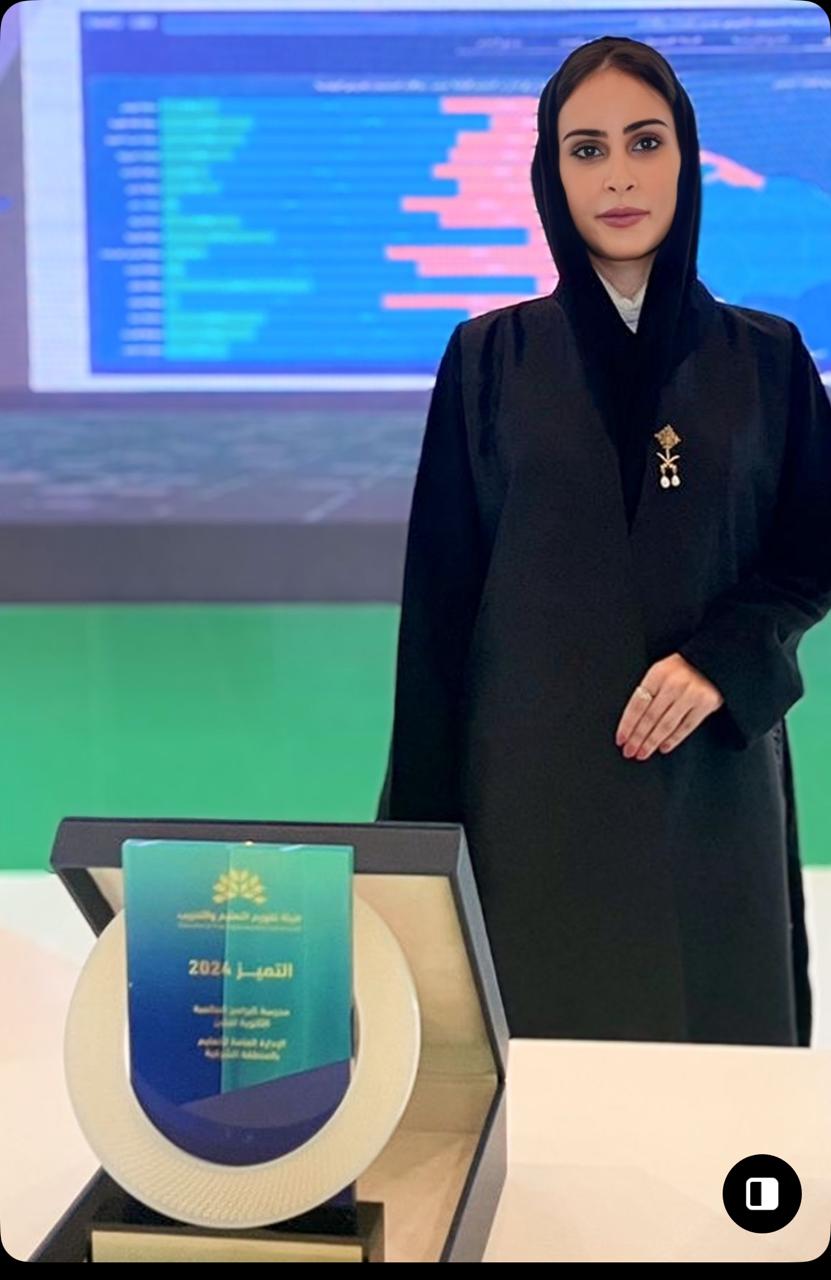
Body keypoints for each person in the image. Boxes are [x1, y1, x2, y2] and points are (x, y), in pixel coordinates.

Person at [375, 36, 831, 1046]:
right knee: (541, 1079)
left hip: (709, 790)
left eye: (644, 141)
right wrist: (411, 856)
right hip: (529, 797)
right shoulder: (488, 358)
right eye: (587, 149)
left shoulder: (767, 358)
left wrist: (726, 657)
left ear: (686, 159)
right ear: (551, 172)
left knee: (721, 1084)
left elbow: (812, 550)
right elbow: (437, 619)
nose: (618, 174)